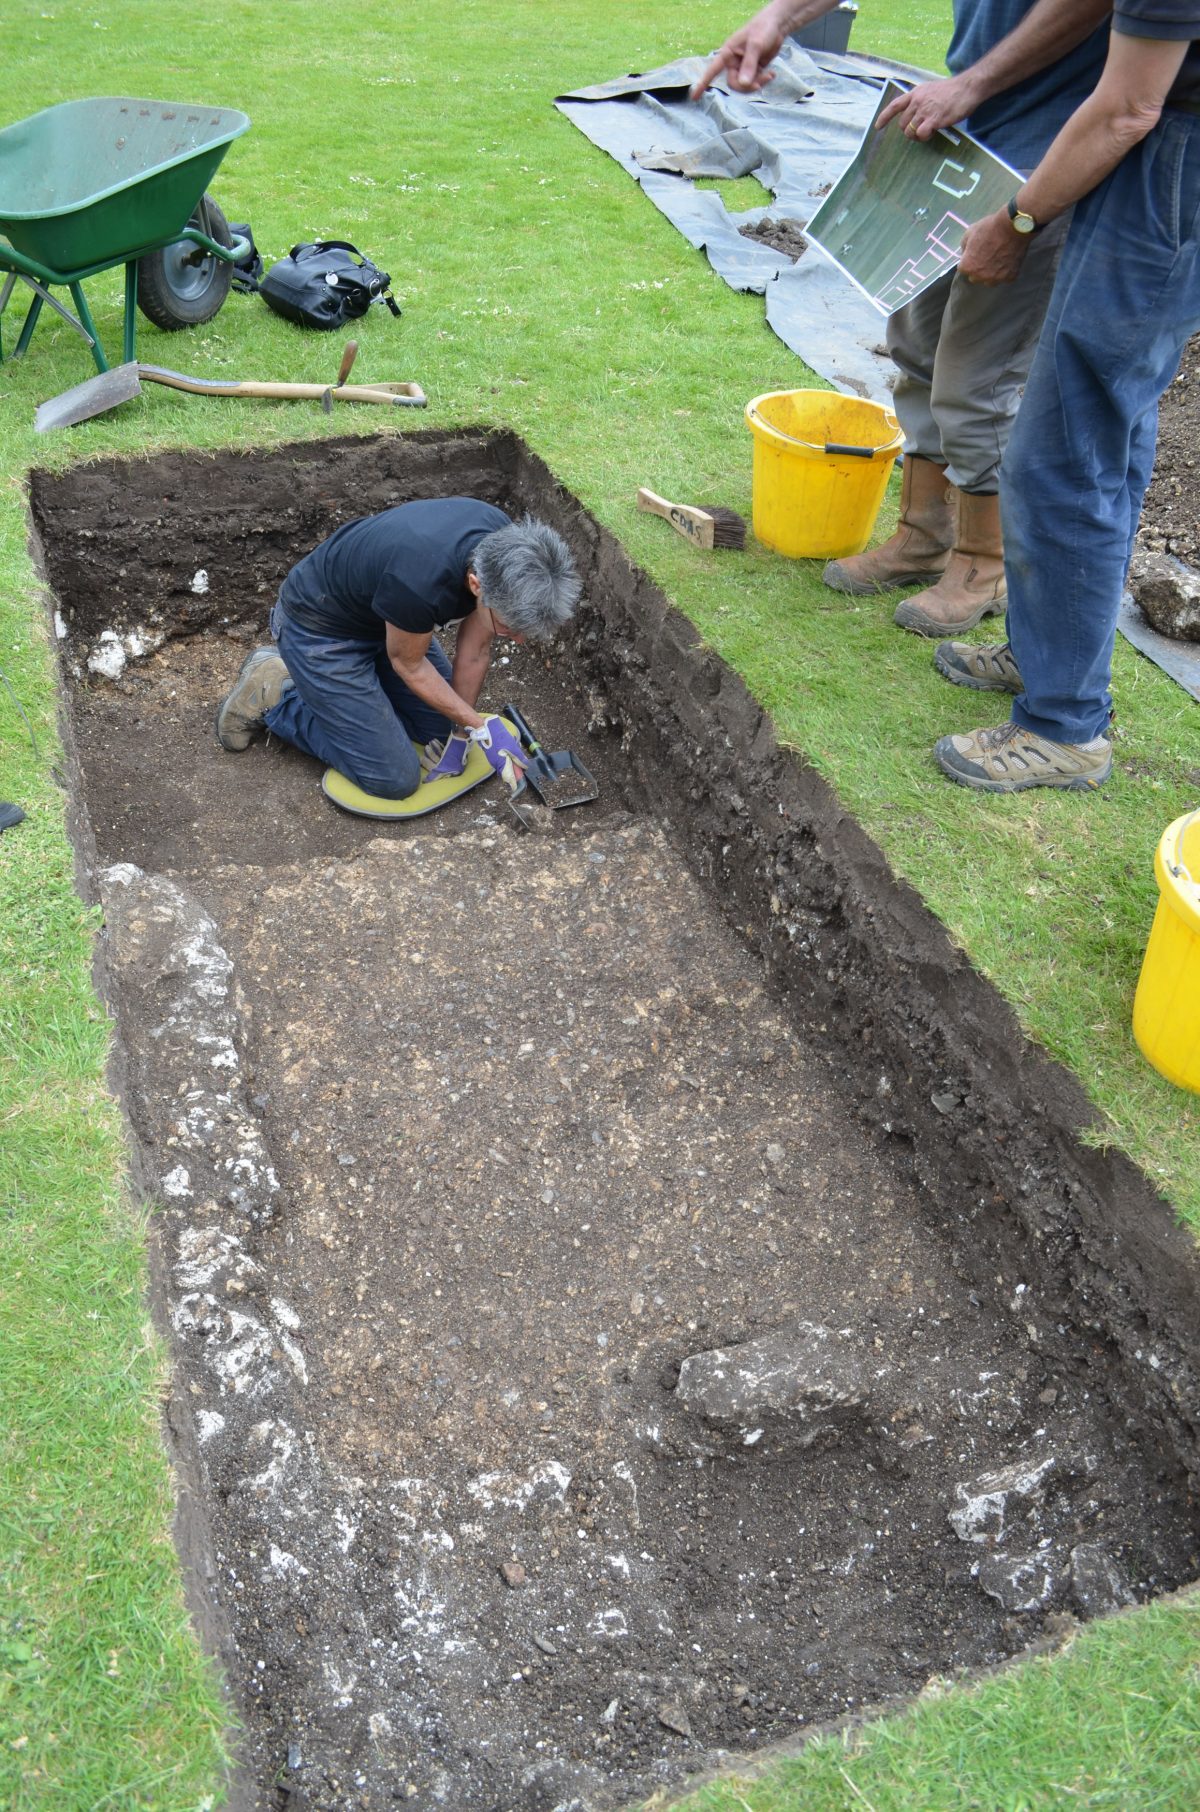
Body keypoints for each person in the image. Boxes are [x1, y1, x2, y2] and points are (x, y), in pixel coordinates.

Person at [692, 0, 1113, 637]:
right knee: (915, 351)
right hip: (957, 142)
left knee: (978, 381)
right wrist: (778, 19)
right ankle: (924, 536)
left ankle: (982, 565)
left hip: (1039, 165)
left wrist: (972, 84)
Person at [932, 2, 1200, 791]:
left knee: (1062, 450)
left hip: (1171, 165)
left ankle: (1063, 727)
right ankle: (1047, 651)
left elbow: (1125, 106)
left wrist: (1016, 223)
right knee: (1110, 438)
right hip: (1169, 156)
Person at [215, 497, 580, 799]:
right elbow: (408, 664)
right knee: (393, 778)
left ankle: (360, 701)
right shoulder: (421, 582)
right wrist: (479, 723)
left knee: (439, 728)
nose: (516, 639)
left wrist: (461, 731)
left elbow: (475, 648)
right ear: (474, 584)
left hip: (388, 622)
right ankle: (278, 693)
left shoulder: (500, 547)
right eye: (510, 627)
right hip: (321, 633)